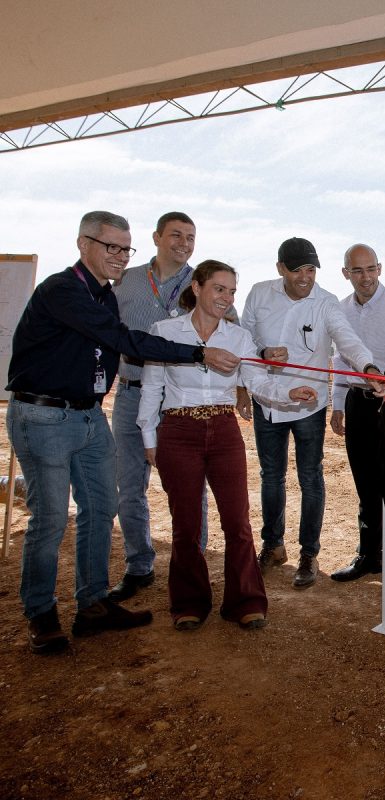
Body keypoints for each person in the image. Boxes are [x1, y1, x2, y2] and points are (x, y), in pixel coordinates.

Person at [5, 211, 238, 654]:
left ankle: (92, 604)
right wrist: (199, 354)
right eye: (109, 246)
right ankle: (40, 612)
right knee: (52, 519)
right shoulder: (63, 291)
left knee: (101, 507)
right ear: (83, 244)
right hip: (44, 417)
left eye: (123, 248)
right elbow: (125, 341)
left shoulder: (103, 295)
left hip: (89, 415)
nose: (118, 255)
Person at [139, 260, 318, 630]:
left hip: (223, 430)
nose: (226, 298)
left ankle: (246, 600)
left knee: (237, 522)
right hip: (178, 430)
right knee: (185, 525)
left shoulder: (238, 338)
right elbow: (152, 387)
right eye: (219, 288)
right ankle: (188, 603)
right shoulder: (164, 331)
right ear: (197, 287)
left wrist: (288, 392)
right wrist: (149, 437)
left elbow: (257, 382)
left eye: (232, 291)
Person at [238, 238, 384, 589]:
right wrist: (257, 360)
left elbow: (347, 339)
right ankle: (273, 546)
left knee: (310, 477)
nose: (305, 277)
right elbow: (242, 340)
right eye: (297, 270)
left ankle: (309, 553)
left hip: (308, 404)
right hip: (268, 403)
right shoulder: (259, 294)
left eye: (310, 269)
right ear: (280, 270)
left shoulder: (326, 303)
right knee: (270, 476)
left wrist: (368, 367)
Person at [110, 211, 208, 601]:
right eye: (176, 235)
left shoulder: (202, 282)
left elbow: (228, 326)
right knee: (129, 486)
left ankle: (192, 563)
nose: (184, 244)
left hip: (178, 400)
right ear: (156, 237)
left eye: (191, 237)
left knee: (189, 488)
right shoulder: (127, 281)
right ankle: (139, 564)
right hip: (131, 393)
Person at [329, 243, 385, 582]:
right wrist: (337, 404)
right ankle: (368, 556)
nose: (365, 277)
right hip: (357, 402)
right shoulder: (338, 311)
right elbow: (340, 359)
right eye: (357, 270)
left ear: (379, 269)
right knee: (366, 483)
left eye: (370, 269)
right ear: (345, 273)